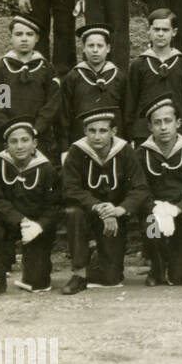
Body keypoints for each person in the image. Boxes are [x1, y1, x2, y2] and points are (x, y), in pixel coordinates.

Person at [60, 106, 148, 294]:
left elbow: (140, 188)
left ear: (113, 131)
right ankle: (79, 273)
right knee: (72, 213)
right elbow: (70, 189)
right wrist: (98, 206)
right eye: (92, 131)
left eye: (103, 130)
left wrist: (120, 209)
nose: (97, 136)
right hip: (86, 213)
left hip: (116, 216)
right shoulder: (76, 152)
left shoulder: (125, 151)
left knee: (111, 278)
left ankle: (95, 256)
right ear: (85, 131)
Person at [0, 121, 60, 296]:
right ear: (7, 145)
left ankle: (37, 269)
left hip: (36, 228)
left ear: (34, 144)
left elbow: (54, 206)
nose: (19, 146)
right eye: (13, 141)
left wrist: (38, 226)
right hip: (8, 223)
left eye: (24, 140)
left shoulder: (46, 169)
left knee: (37, 284)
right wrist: (20, 220)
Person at [137, 97, 182, 287]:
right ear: (150, 127)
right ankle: (156, 268)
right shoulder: (141, 154)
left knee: (181, 279)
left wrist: (179, 209)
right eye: (157, 123)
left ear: (178, 123)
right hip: (155, 212)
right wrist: (155, 208)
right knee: (152, 227)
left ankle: (177, 266)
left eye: (168, 121)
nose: (163, 127)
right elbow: (139, 188)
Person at [0, 14, 61, 157]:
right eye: (18, 34)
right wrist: (10, 130)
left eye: (29, 34)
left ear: (37, 38)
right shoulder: (1, 69)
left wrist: (36, 129)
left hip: (39, 137)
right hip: (7, 137)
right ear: (11, 37)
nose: (24, 38)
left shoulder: (46, 69)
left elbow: (52, 105)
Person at [125, 8, 182, 141]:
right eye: (156, 29)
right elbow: (131, 102)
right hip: (144, 133)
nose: (160, 34)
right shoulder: (139, 64)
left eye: (165, 30)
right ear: (149, 30)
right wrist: (130, 135)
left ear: (174, 32)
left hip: (178, 132)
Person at [58, 24, 126, 144]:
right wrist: (64, 147)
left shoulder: (118, 76)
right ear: (83, 48)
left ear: (108, 48)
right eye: (90, 45)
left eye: (100, 45)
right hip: (80, 140)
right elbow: (64, 115)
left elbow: (126, 112)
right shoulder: (73, 77)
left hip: (113, 141)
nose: (95, 50)